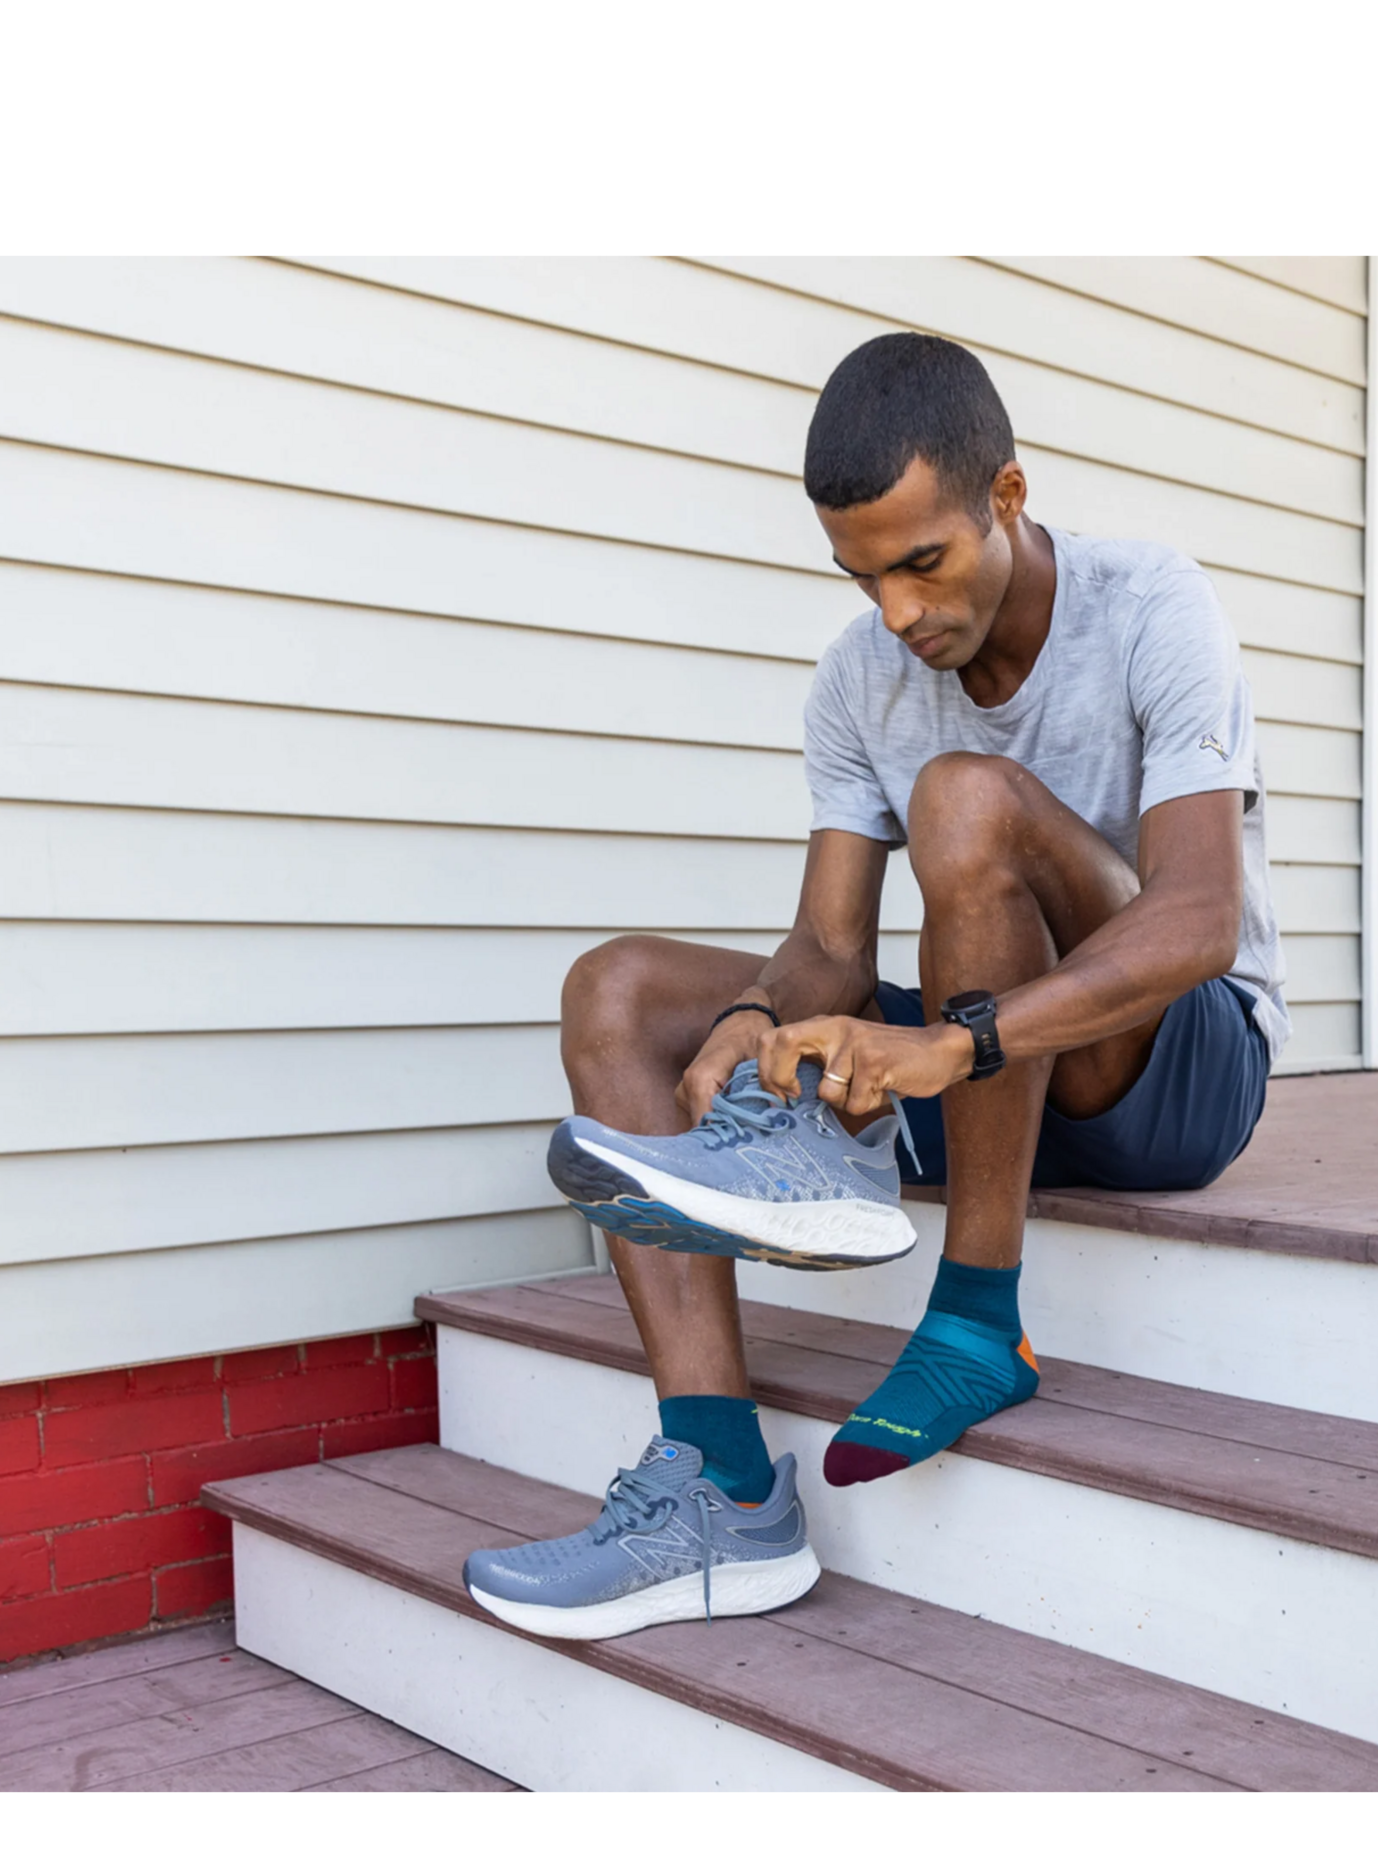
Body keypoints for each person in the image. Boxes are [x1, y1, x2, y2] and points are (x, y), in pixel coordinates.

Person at [463, 331, 1284, 1641]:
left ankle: (976, 1324)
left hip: (1168, 1067)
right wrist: (753, 1023)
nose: (899, 615)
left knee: (965, 800)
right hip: (982, 1047)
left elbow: (1196, 919)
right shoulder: (859, 674)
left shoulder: (1151, 606)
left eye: (923, 563)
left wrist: (952, 1050)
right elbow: (830, 953)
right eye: (862, 576)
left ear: (1006, 497)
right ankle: (720, 1491)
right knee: (616, 990)